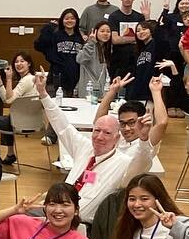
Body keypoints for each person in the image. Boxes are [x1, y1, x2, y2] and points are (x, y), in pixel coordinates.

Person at [34, 73, 161, 223]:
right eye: (96, 131)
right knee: (11, 219)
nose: (99, 137)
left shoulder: (124, 162)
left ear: (117, 138)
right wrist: (43, 94)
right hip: (53, 210)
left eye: (107, 133)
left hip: (79, 223)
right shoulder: (84, 146)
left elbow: (143, 161)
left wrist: (144, 139)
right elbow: (62, 125)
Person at [34, 9, 83, 98]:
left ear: (76, 20)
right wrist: (48, 27)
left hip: (75, 77)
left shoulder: (80, 37)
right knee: (54, 103)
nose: (69, 21)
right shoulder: (55, 34)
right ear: (62, 20)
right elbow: (39, 45)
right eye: (66, 18)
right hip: (57, 76)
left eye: (72, 18)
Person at [104, 0, 145, 79]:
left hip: (136, 60)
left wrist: (124, 39)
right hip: (118, 61)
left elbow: (143, 38)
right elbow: (115, 40)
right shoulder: (114, 17)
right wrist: (135, 38)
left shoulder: (139, 17)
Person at [75, 20, 112, 100]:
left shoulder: (105, 49)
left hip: (100, 92)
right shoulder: (90, 46)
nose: (105, 33)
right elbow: (79, 59)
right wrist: (91, 42)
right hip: (87, 92)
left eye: (108, 31)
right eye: (102, 31)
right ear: (95, 32)